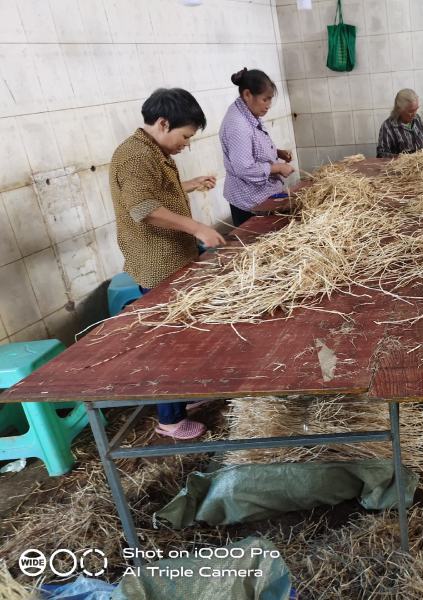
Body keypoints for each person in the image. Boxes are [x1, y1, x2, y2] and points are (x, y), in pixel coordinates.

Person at [109, 88, 224, 440]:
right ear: (163, 123)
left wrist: (187, 184)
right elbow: (143, 210)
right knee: (168, 340)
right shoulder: (134, 157)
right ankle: (170, 419)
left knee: (182, 334)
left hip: (174, 255)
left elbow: (154, 195)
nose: (186, 143)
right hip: (158, 263)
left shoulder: (151, 150)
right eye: (185, 135)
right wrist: (199, 227)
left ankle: (182, 398)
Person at [219, 68, 295, 227]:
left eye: (270, 100)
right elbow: (244, 168)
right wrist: (278, 167)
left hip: (263, 194)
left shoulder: (248, 111)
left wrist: (278, 152)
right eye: (265, 100)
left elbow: (254, 145)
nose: (268, 106)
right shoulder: (237, 124)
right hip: (249, 201)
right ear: (247, 95)